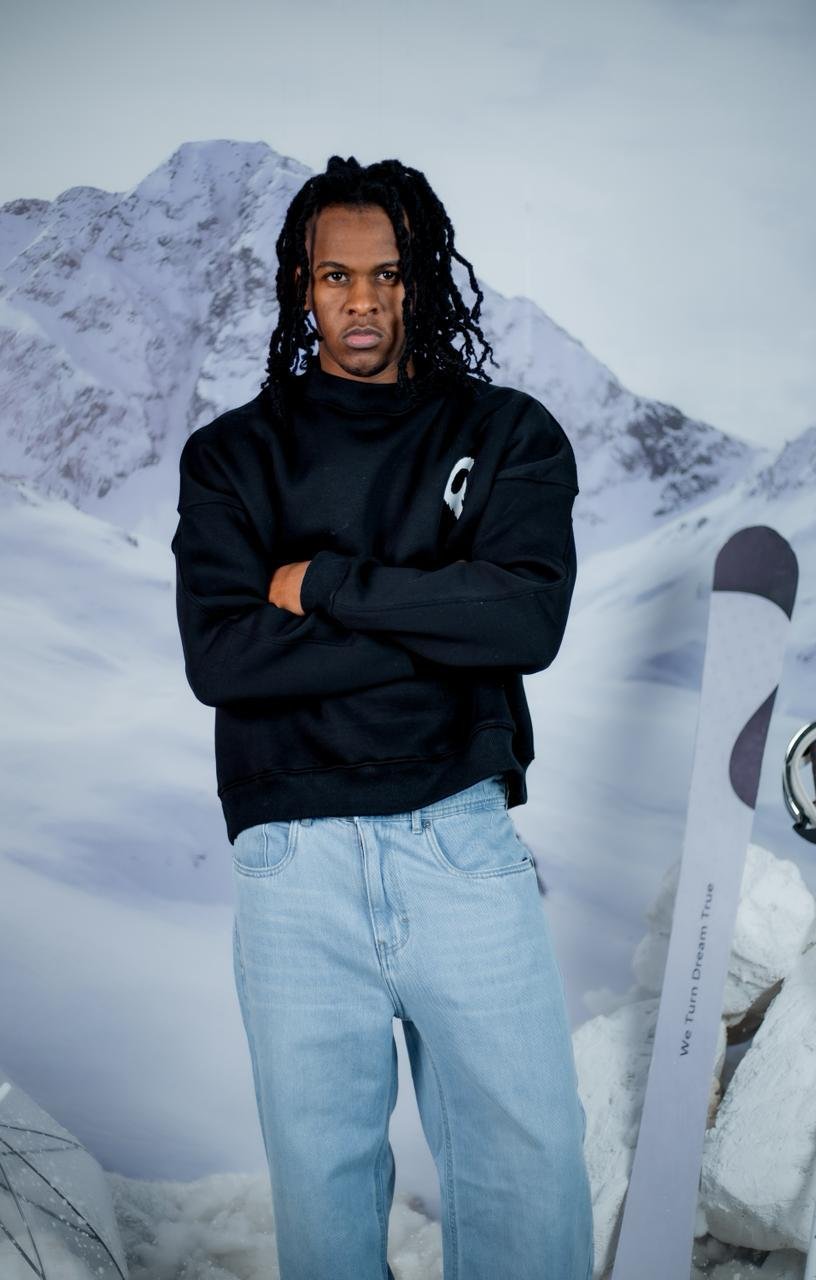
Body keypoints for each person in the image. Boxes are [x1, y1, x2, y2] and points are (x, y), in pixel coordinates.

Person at [171, 154, 593, 1280]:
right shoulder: (231, 457)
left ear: (421, 282)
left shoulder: (507, 432)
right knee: (323, 1198)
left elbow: (526, 619)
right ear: (299, 285)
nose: (362, 301)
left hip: (458, 837)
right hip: (292, 859)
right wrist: (440, 615)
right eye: (336, 276)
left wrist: (324, 584)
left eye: (387, 274)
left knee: (528, 1173)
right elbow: (222, 655)